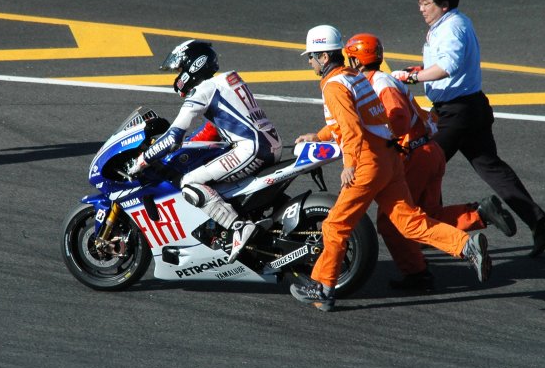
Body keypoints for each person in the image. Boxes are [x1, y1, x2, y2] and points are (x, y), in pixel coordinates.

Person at [290, 25, 492, 312]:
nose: (309, 62)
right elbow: (368, 118)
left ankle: (323, 287)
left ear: (323, 57)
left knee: (336, 224)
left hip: (367, 163)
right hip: (390, 160)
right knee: (409, 222)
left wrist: (349, 164)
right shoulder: (354, 78)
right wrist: (319, 136)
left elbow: (350, 129)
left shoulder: (334, 86)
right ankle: (464, 245)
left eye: (311, 56)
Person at [392, 0, 545, 257]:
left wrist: (413, 79)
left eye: (426, 3)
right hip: (469, 108)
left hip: (458, 113)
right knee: (491, 168)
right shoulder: (448, 24)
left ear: (443, 4)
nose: (421, 9)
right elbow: (444, 66)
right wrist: (419, 71)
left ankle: (434, 226)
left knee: (424, 162)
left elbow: (449, 66)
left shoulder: (452, 27)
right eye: (419, 2)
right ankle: (538, 221)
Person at [344, 32, 517, 292]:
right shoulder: (384, 80)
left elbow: (399, 118)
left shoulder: (378, 84)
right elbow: (424, 116)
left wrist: (385, 140)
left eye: (350, 58)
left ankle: (420, 273)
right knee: (427, 217)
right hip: (428, 151)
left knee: (392, 224)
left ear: (357, 60)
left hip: (414, 157)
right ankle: (479, 214)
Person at [128, 39, 283, 263]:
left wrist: (143, 159)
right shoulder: (228, 79)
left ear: (194, 65)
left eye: (181, 69)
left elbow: (173, 136)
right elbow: (214, 127)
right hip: (270, 143)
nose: (179, 74)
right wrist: (190, 143)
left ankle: (239, 227)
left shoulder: (202, 90)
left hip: (252, 150)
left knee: (190, 183)